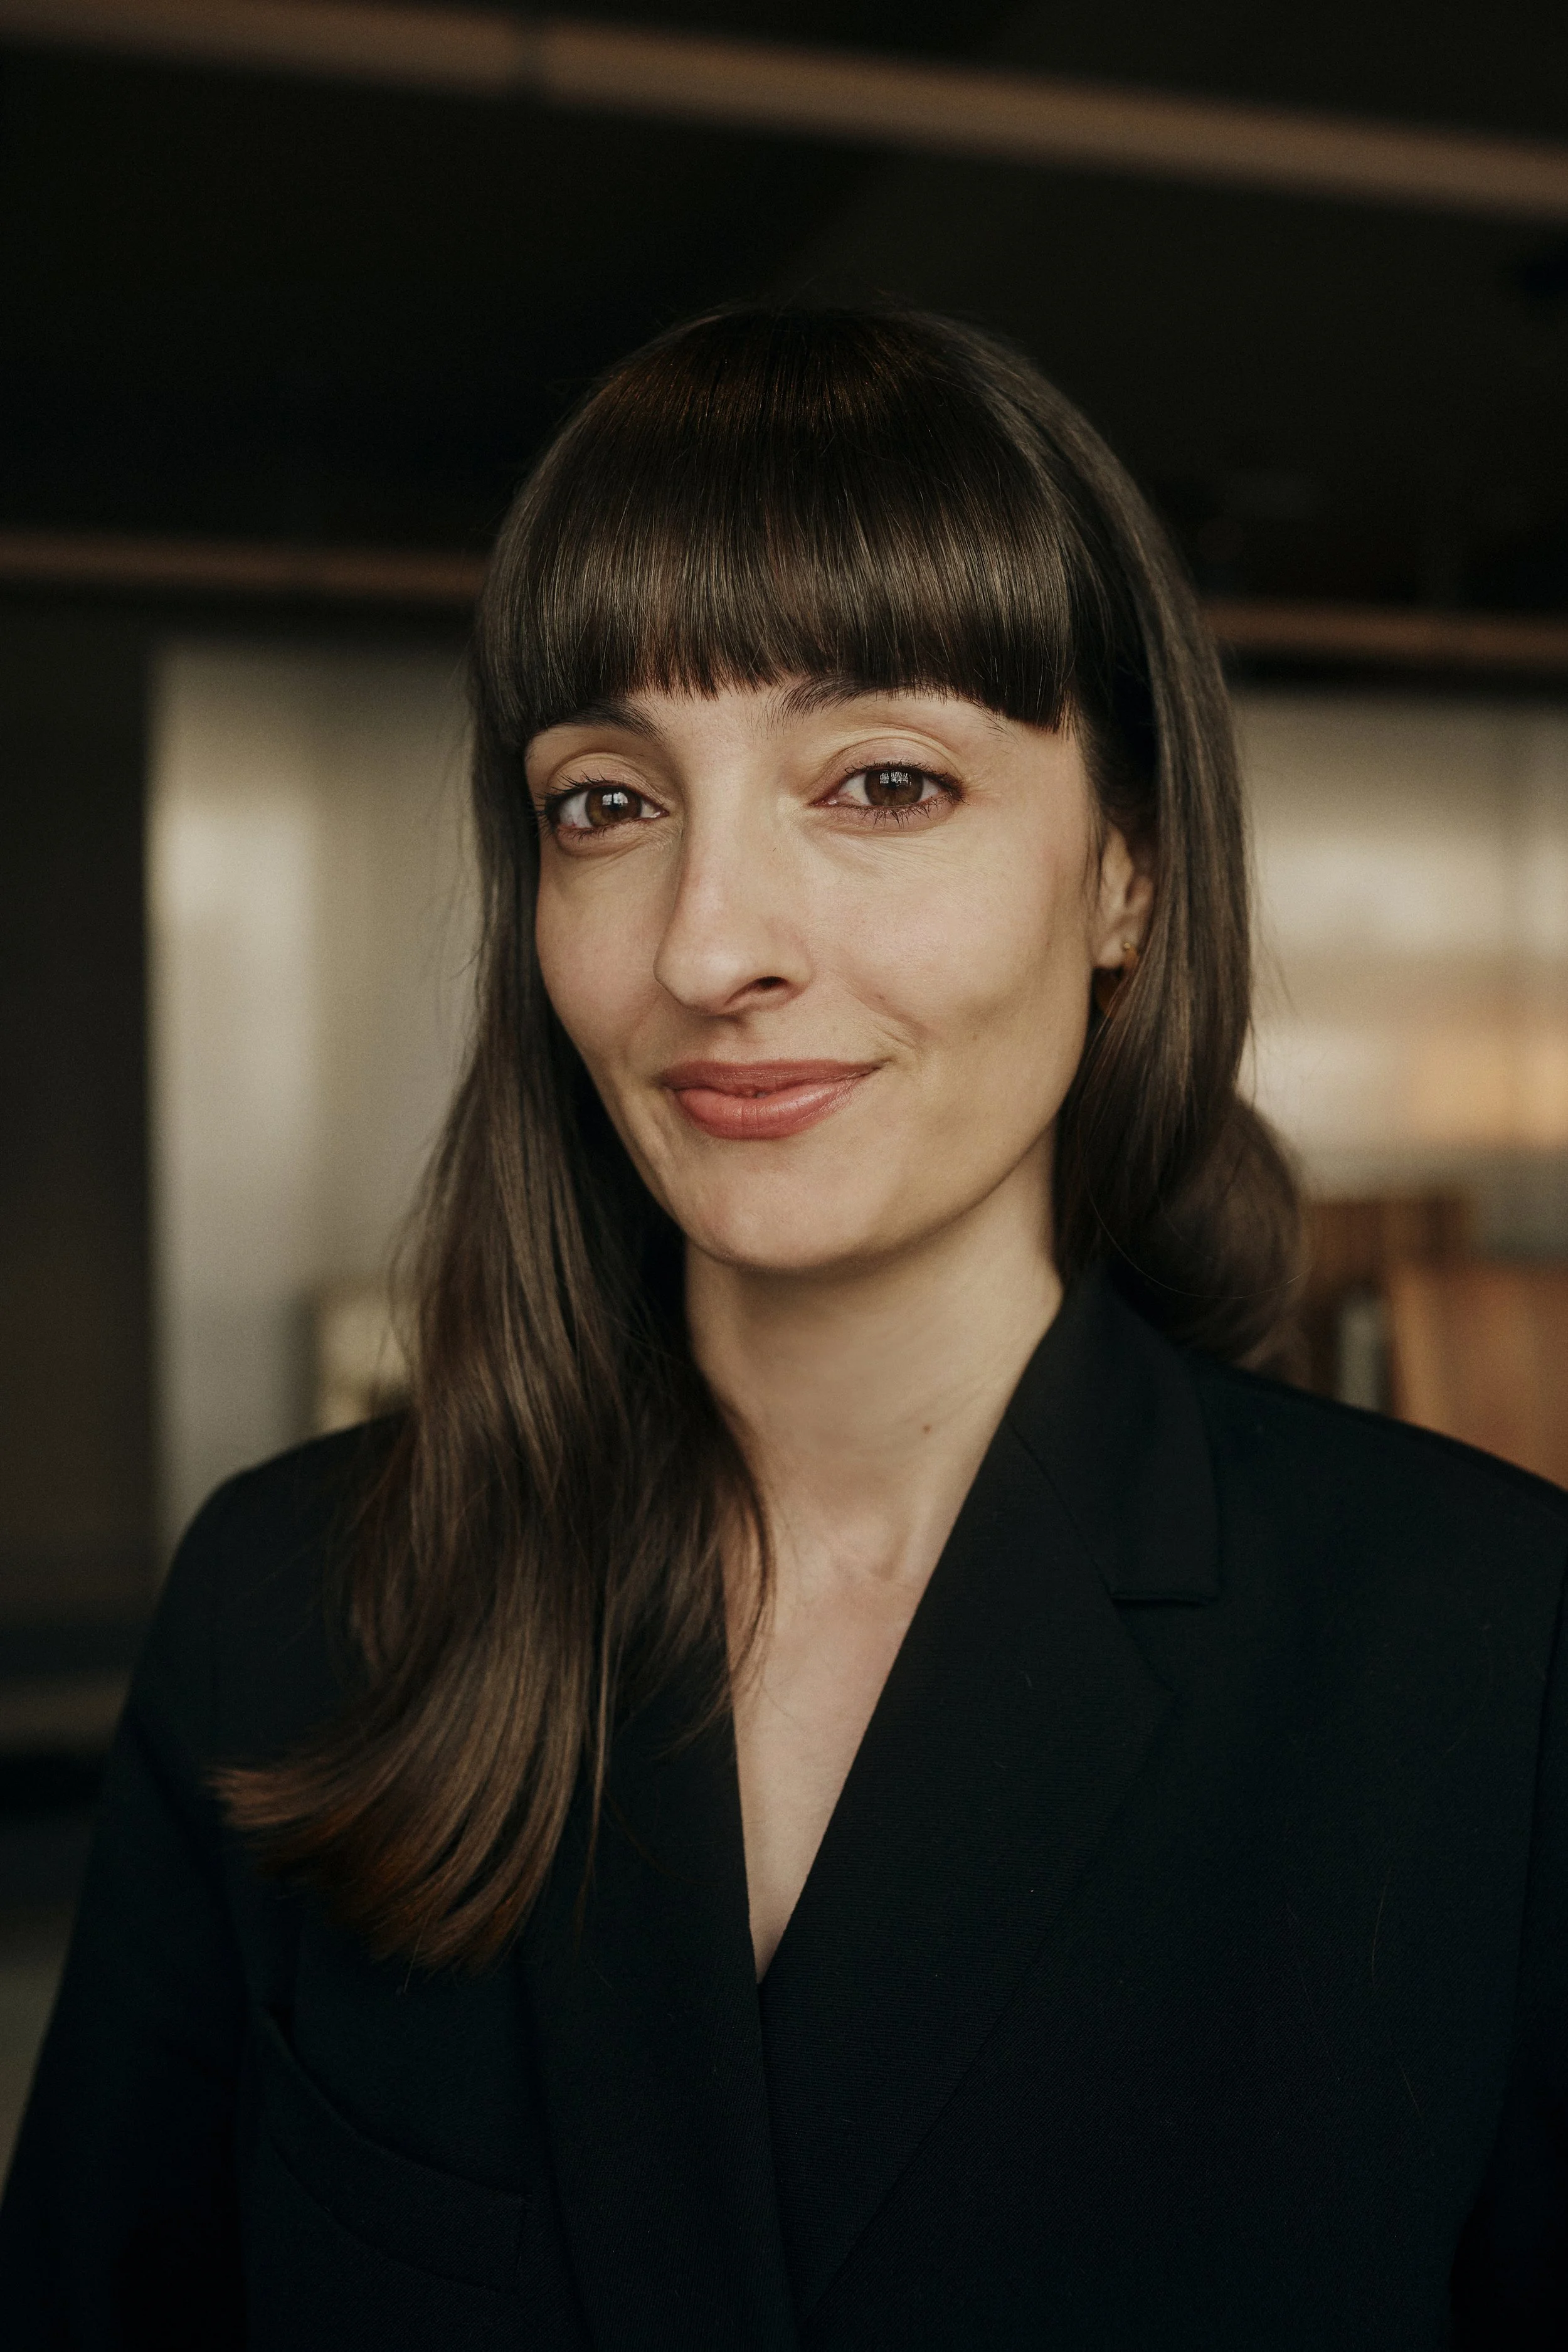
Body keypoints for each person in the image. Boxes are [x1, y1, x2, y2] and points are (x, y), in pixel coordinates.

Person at [1, 305, 1564, 2351]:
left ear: (1126, 875)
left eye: (882, 780)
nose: (707, 945)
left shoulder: (1482, 1653)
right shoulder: (297, 1605)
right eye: (605, 803)